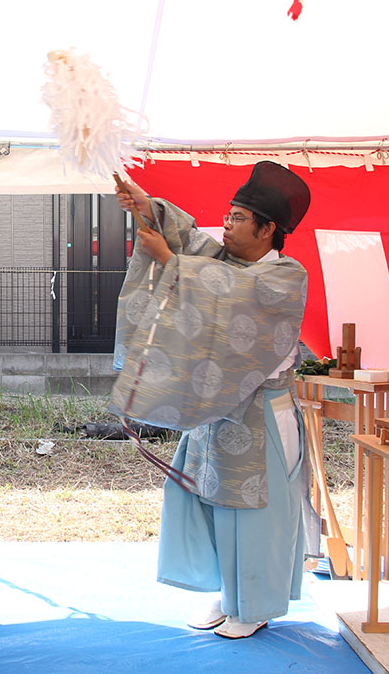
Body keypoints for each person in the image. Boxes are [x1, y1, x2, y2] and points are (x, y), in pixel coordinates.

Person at [109, 161, 312, 639]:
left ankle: (255, 605)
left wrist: (172, 265)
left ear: (268, 230)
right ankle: (229, 594)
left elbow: (237, 292)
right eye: (228, 214)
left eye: (239, 217)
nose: (226, 223)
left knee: (254, 514)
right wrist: (147, 205)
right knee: (214, 502)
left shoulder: (285, 275)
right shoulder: (223, 260)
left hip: (262, 415)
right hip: (217, 412)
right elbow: (184, 237)